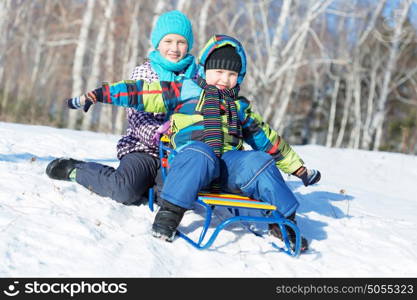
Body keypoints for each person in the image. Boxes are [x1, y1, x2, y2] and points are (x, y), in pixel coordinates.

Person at [64, 34, 321, 252]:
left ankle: (284, 223)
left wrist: (298, 168)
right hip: (188, 162)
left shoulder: (239, 106)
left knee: (259, 160)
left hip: (226, 168)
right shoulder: (183, 90)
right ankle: (170, 214)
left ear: (239, 76)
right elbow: (139, 92)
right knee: (201, 152)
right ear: (205, 69)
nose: (224, 79)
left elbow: (269, 140)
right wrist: (98, 94)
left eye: (232, 74)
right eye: (219, 71)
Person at [46, 10, 197, 205]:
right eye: (168, 41)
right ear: (158, 43)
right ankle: (77, 170)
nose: (174, 48)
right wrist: (159, 133)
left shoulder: (196, 76)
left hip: (177, 153)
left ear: (188, 45)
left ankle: (147, 186)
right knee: (123, 190)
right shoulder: (145, 71)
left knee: (173, 199)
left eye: (181, 42)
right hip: (143, 147)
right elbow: (136, 115)